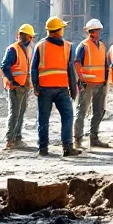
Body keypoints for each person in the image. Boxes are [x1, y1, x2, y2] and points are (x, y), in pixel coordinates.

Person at [30, 16, 82, 157]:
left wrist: (35, 85)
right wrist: (73, 89)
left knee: (43, 118)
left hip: (45, 89)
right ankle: (67, 147)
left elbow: (33, 69)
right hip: (61, 89)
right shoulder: (68, 46)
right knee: (67, 117)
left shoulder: (40, 46)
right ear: (58, 31)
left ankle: (43, 149)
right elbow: (70, 70)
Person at [73, 19, 110, 148]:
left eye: (99, 30)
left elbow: (105, 64)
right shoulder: (83, 46)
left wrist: (106, 79)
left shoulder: (102, 46)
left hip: (100, 83)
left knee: (98, 111)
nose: (99, 32)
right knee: (82, 111)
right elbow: (77, 63)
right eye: (97, 30)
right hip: (88, 84)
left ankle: (94, 138)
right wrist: (82, 78)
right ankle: (77, 139)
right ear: (91, 32)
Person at [0, 24, 34, 150]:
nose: (30, 39)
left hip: (24, 86)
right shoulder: (12, 49)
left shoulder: (28, 50)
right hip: (15, 87)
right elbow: (5, 67)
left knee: (21, 112)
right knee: (14, 113)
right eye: (29, 37)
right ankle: (10, 139)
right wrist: (13, 82)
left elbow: (27, 68)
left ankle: (18, 138)